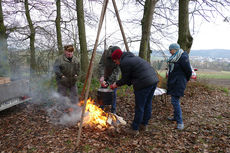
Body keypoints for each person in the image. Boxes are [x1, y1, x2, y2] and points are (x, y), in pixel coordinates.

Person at [110, 48, 159, 136]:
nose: (115, 63)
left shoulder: (124, 63)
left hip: (144, 83)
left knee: (139, 106)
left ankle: (134, 129)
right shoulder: (131, 58)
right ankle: (144, 125)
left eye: (115, 61)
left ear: (117, 59)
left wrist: (116, 84)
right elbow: (130, 77)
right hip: (153, 80)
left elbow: (125, 79)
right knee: (147, 104)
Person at [166, 43, 192, 130]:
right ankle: (176, 117)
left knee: (174, 101)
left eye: (171, 50)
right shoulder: (174, 58)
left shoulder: (183, 57)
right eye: (169, 50)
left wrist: (185, 80)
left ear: (176, 49)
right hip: (174, 82)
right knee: (174, 100)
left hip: (179, 82)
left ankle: (180, 122)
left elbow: (188, 71)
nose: (170, 51)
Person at [98, 46, 120, 114]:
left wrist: (108, 82)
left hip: (113, 78)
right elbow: (101, 65)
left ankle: (113, 111)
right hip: (105, 75)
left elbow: (116, 72)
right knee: (102, 93)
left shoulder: (119, 56)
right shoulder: (105, 53)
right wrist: (102, 76)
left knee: (113, 94)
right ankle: (101, 109)